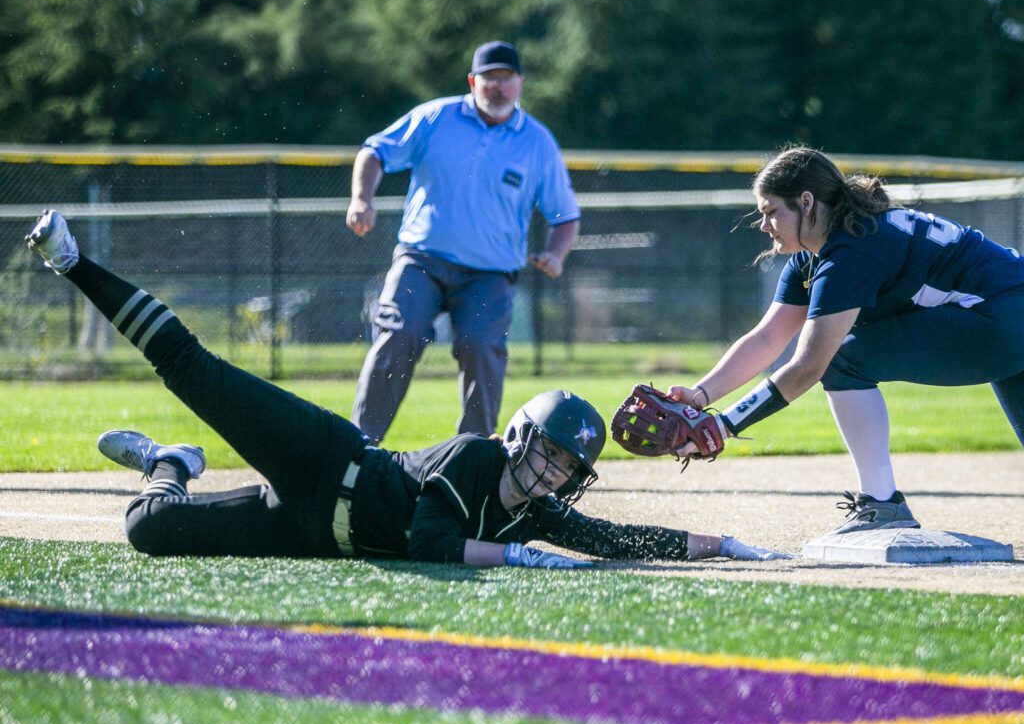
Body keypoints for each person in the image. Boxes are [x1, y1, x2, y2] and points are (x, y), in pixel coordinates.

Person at [26, 209, 790, 565]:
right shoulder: (474, 455)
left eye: (567, 468)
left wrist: (717, 543)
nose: (554, 473)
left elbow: (618, 542)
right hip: (327, 461)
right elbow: (429, 542)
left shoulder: (536, 513)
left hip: (312, 535)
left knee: (149, 532)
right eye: (550, 455)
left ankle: (170, 464)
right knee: (198, 371)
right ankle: (72, 262)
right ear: (520, 436)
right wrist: (517, 559)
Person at [667, 146, 1024, 535]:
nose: (763, 224)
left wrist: (723, 426)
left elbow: (808, 367)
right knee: (844, 355)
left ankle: (881, 504)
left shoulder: (851, 250)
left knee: (843, 358)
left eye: (771, 212)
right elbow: (767, 339)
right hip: (1005, 314)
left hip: (1003, 319)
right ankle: (882, 504)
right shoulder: (825, 249)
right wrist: (700, 396)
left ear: (807, 203)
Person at [346, 40, 580, 445]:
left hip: (490, 273)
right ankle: (358, 446)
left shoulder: (537, 142)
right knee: (400, 333)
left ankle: (471, 455)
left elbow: (565, 214)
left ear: (520, 83)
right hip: (421, 259)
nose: (498, 88)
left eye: (506, 80)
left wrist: (557, 254)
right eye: (489, 79)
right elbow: (375, 151)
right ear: (473, 81)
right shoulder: (436, 117)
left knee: (482, 347)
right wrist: (361, 199)